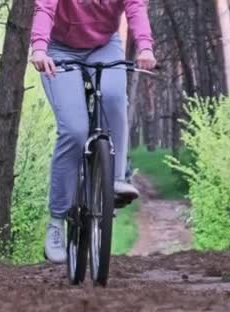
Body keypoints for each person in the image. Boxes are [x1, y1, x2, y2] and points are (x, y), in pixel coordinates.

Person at [30, 0, 157, 263]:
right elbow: (45, 8)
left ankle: (117, 178)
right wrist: (39, 49)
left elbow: (136, 6)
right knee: (74, 131)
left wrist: (145, 46)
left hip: (104, 46)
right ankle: (56, 223)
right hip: (58, 49)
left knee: (113, 99)